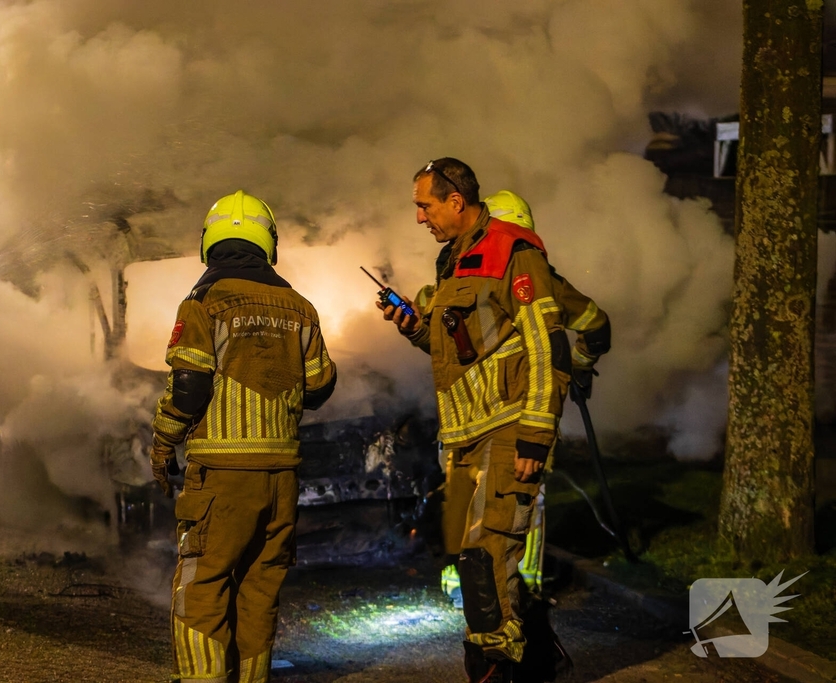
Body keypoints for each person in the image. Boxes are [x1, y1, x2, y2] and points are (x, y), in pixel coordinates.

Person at [379, 159, 570, 682]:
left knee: (488, 562)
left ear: (455, 201)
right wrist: (416, 330)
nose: (419, 217)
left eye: (425, 204)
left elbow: (546, 345)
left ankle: (499, 671)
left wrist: (534, 435)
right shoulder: (455, 260)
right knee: (478, 564)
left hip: (507, 430)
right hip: (467, 435)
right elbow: (461, 352)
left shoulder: (514, 252)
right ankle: (528, 663)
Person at [151, 190, 337, 683]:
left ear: (210, 243)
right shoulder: (300, 307)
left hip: (222, 478)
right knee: (259, 592)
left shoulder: (204, 303)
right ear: (267, 243)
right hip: (281, 480)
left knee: (202, 586)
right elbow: (320, 385)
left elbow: (188, 386)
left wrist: (163, 440)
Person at [483, 190, 611, 595]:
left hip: (482, 416)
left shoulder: (464, 276)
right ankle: (519, 590)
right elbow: (596, 325)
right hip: (517, 413)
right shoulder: (544, 281)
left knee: (475, 497)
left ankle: (481, 590)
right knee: (523, 500)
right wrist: (581, 366)